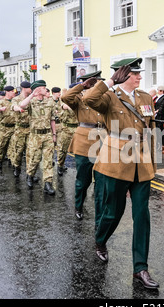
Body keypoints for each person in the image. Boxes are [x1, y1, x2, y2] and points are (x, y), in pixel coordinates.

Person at [83, 58, 159, 290]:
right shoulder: (108, 96)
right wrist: (108, 82)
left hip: (141, 161)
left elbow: (150, 127)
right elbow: (88, 99)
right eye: (134, 73)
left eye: (138, 73)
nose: (139, 77)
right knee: (112, 213)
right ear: (122, 75)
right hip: (116, 160)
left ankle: (140, 268)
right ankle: (100, 240)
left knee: (142, 216)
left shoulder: (145, 97)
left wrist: (152, 161)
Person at [61, 71, 106, 221]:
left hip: (104, 140)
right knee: (83, 179)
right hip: (84, 142)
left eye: (98, 83)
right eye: (94, 83)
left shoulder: (105, 98)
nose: (97, 85)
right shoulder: (79, 99)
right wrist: (81, 86)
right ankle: (78, 206)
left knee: (102, 179)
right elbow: (65, 97)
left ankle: (100, 210)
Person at [17, 80, 57, 195]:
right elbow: (22, 105)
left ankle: (48, 183)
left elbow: (52, 120)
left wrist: (54, 135)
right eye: (44, 88)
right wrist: (31, 95)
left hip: (48, 134)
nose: (46, 90)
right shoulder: (31, 101)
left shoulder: (50, 102)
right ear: (38, 89)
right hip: (35, 135)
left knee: (48, 159)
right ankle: (30, 174)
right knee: (35, 158)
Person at [10, 81, 32, 177]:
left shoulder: (32, 98)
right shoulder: (16, 99)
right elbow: (13, 106)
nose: (31, 90)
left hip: (31, 129)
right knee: (18, 151)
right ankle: (17, 166)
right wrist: (18, 108)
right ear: (24, 88)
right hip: (20, 129)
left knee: (30, 151)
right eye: (30, 88)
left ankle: (30, 172)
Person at [0, 86, 16, 168]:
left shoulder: (15, 101)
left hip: (14, 127)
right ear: (8, 92)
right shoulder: (2, 101)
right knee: (2, 145)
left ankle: (11, 160)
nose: (14, 93)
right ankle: (0, 159)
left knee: (13, 146)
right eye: (12, 91)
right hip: (4, 128)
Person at [154, 85, 164, 150]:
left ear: (162, 91)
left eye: (159, 90)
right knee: (157, 128)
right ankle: (159, 141)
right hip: (157, 114)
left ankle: (162, 142)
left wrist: (157, 111)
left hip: (160, 115)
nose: (158, 92)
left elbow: (162, 106)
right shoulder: (158, 97)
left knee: (160, 128)